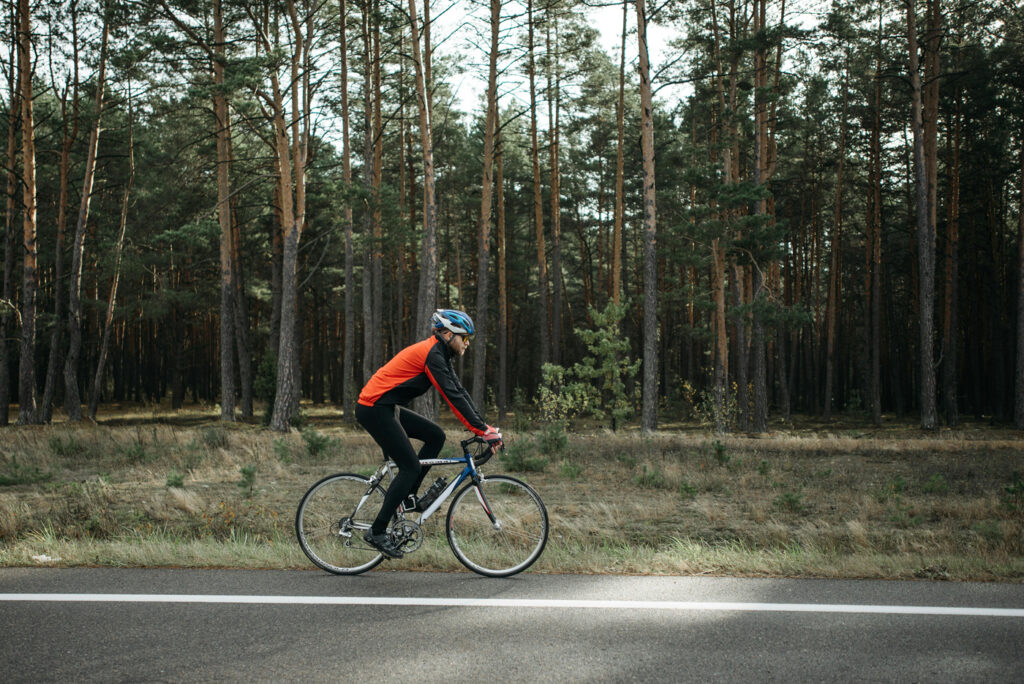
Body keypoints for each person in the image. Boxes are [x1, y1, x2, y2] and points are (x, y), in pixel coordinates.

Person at [355, 308, 503, 559]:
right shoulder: (432, 354)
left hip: (386, 406)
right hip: (373, 408)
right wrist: (480, 430)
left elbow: (459, 390)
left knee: (436, 436)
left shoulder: (439, 354)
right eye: (464, 338)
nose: (467, 344)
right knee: (410, 466)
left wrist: (483, 427)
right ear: (447, 334)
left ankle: (408, 496)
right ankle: (377, 531)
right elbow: (451, 396)